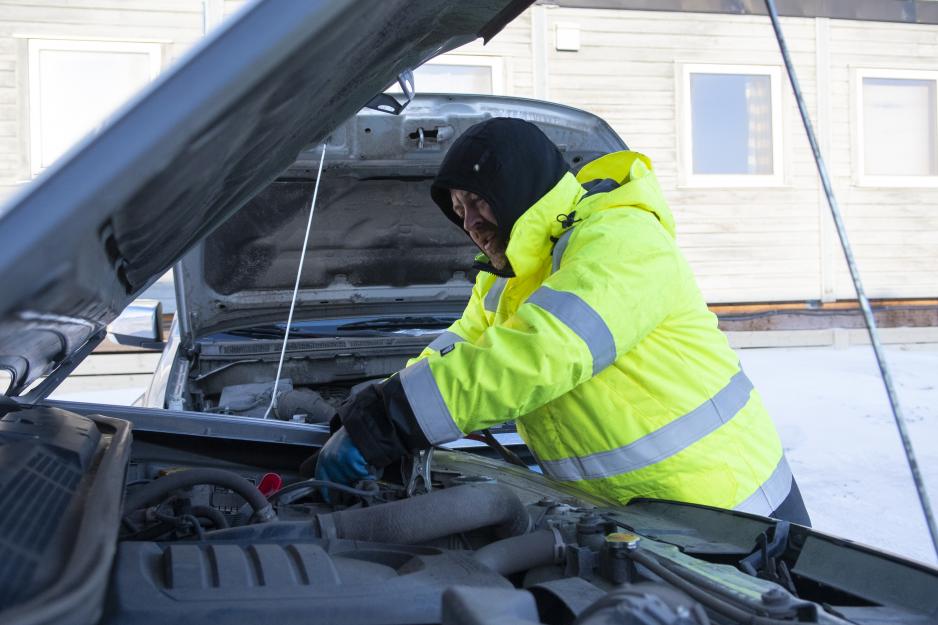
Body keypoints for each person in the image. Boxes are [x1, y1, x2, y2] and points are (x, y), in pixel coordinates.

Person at [315, 117, 810, 524]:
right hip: (630, 522)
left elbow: (542, 353)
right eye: (459, 210)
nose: (470, 223)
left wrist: (387, 423)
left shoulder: (621, 239)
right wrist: (368, 406)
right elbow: (458, 349)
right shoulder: (505, 279)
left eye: (479, 200)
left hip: (733, 515)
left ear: (519, 186)